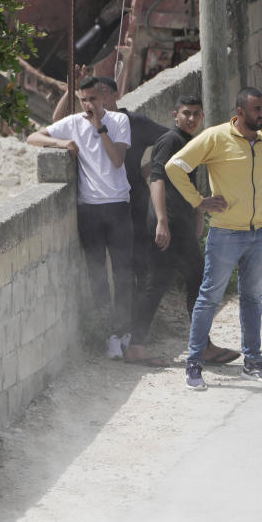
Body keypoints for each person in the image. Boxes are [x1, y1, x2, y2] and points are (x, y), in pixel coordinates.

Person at [166, 86, 262, 390]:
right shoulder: (216, 137)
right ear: (240, 112)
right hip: (226, 232)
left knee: (253, 298)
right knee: (209, 297)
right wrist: (198, 200)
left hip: (261, 231)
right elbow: (174, 166)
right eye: (257, 110)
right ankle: (194, 362)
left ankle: (253, 361)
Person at [54, 74, 168, 364]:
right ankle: (112, 334)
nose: (95, 101)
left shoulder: (131, 122)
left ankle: (135, 332)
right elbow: (53, 126)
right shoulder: (84, 124)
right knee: (101, 276)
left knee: (133, 273)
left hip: (133, 208)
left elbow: (171, 140)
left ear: (113, 95)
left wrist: (151, 170)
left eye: (101, 94)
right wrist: (70, 91)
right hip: (97, 210)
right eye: (89, 96)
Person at [29, 76, 138, 362]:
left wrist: (99, 128)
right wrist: (64, 142)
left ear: (103, 97)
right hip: (89, 209)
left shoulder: (118, 122)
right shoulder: (74, 122)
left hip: (117, 205)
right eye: (84, 100)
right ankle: (108, 336)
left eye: (93, 99)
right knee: (97, 274)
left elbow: (116, 160)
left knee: (124, 272)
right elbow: (33, 137)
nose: (89, 104)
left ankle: (126, 330)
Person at [130, 95, 240, 365]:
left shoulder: (188, 142)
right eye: (186, 113)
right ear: (175, 115)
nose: (191, 119)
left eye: (196, 114)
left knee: (159, 282)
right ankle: (201, 345)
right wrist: (162, 221)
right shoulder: (171, 140)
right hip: (169, 224)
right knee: (198, 279)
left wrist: (198, 210)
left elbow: (179, 184)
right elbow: (156, 179)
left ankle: (137, 346)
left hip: (178, 221)